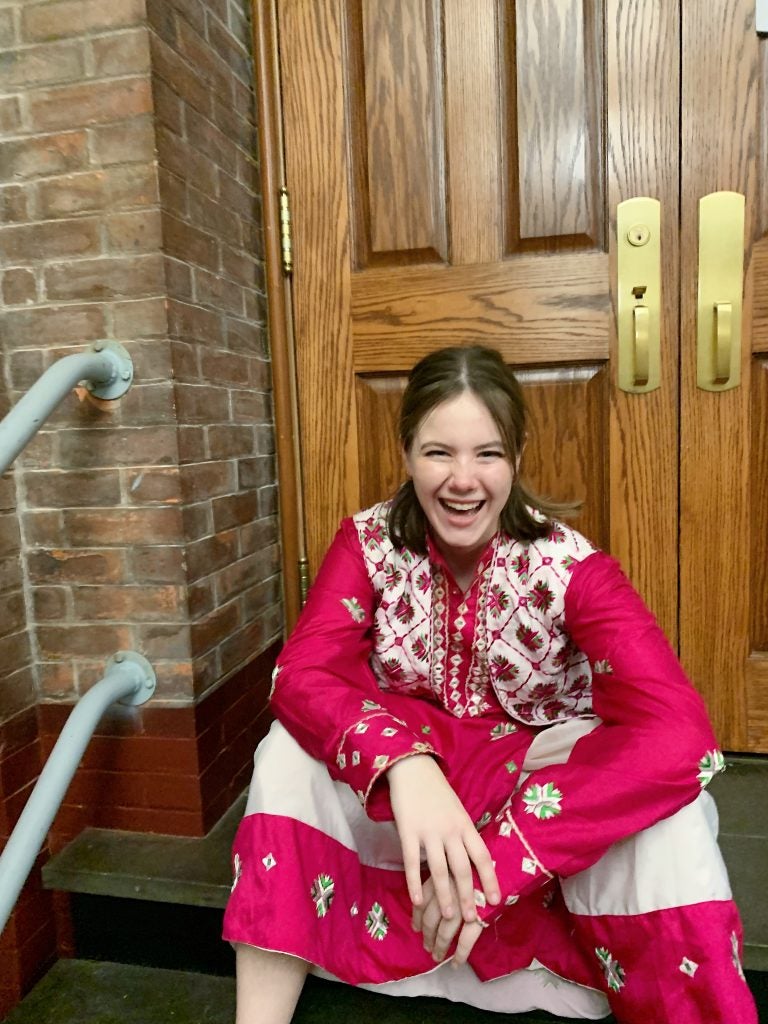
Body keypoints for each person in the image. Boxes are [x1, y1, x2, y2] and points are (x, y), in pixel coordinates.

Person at [223, 345, 757, 1024]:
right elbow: (302, 673)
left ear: (519, 454)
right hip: (412, 793)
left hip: (530, 791)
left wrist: (505, 861)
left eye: (488, 454)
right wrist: (404, 766)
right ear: (406, 451)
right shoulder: (365, 545)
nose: (462, 480)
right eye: (439, 453)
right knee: (286, 751)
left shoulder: (571, 569)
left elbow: (681, 734)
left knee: (670, 814)